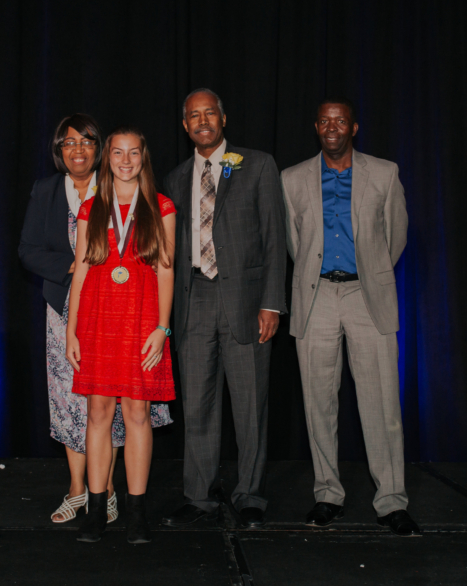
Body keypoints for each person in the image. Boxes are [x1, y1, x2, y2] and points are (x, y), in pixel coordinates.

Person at [280, 98, 420, 537]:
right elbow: (293, 242)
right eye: (325, 121)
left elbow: (396, 235)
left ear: (353, 128)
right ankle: (328, 495)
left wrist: (372, 274)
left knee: (382, 403)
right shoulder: (292, 179)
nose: (332, 127)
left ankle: (391, 501)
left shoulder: (385, 173)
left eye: (340, 121)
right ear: (316, 127)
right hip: (317, 296)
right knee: (318, 402)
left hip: (366, 295)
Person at [162, 88, 287, 529]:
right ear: (185, 126)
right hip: (193, 299)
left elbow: (275, 238)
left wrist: (272, 303)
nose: (202, 121)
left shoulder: (258, 164)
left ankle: (250, 495)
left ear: (223, 118)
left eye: (209, 113)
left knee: (250, 404)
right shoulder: (176, 178)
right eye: (194, 116)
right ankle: (199, 496)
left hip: (247, 303)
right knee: (197, 404)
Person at [66, 126, 176, 544]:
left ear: (143, 157)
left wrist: (162, 328)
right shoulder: (91, 207)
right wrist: (72, 332)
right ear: (107, 158)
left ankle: (136, 513)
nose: (125, 160)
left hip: (142, 323)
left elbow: (166, 271)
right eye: (117, 152)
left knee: (137, 415)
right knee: (97, 413)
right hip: (97, 323)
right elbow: (80, 274)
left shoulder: (161, 206)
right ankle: (96, 510)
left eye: (133, 153)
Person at [18, 114, 124, 525]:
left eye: (86, 141)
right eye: (69, 142)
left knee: (108, 401)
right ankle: (78, 489)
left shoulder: (117, 186)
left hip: (114, 309)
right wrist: (76, 267)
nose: (78, 150)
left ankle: (107, 490)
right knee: (68, 400)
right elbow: (28, 251)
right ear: (59, 151)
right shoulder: (45, 190)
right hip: (63, 308)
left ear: (99, 148)